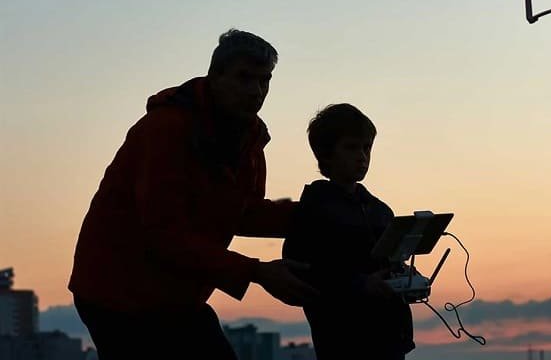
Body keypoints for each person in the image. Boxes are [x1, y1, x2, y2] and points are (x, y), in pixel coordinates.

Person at [68, 29, 318, 360]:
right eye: (244, 78)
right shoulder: (165, 129)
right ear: (215, 76)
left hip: (177, 295)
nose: (256, 91)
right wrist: (257, 272)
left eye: (264, 81)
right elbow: (163, 233)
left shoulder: (250, 136)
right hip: (117, 293)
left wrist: (320, 215)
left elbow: (242, 212)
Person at [282, 104, 415, 360]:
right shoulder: (313, 211)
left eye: (367, 147)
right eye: (352, 147)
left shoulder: (380, 211)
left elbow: (390, 264)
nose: (362, 156)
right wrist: (360, 285)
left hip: (389, 340)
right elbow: (301, 274)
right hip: (343, 342)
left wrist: (404, 277)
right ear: (326, 154)